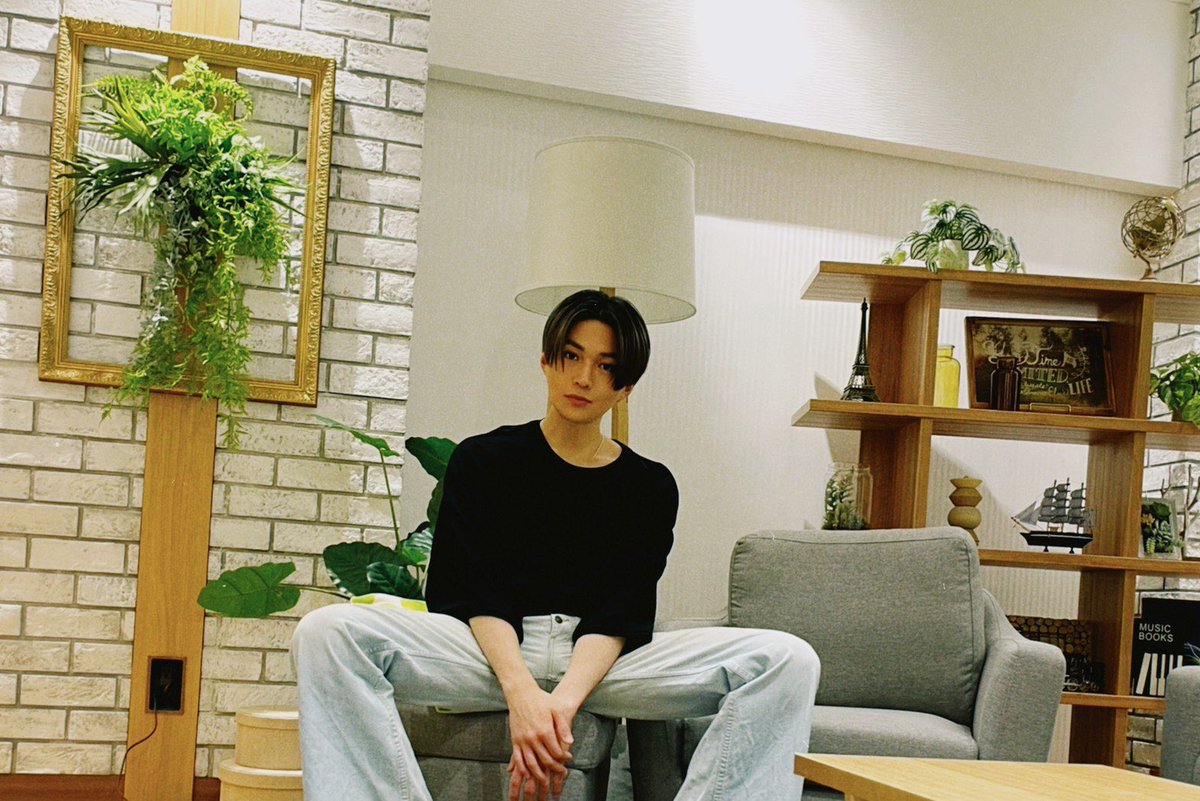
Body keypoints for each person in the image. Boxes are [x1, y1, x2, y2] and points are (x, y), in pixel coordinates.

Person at [291, 290, 820, 801]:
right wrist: (521, 692)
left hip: (601, 666)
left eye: (606, 367)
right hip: (485, 652)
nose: (584, 377)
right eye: (572, 356)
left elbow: (620, 612)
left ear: (626, 387)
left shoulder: (649, 486)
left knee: (786, 660)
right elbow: (474, 591)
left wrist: (562, 704)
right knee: (327, 633)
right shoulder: (484, 460)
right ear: (546, 361)